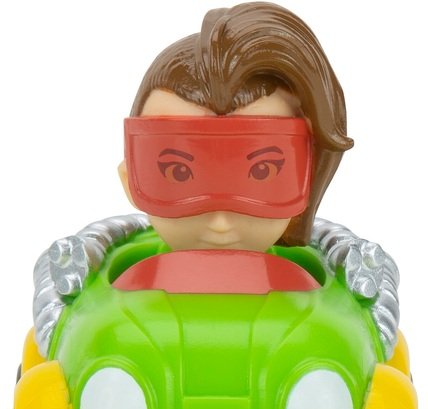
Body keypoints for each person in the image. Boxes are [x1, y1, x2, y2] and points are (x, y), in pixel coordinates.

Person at [34, 1, 399, 360]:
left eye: (262, 172)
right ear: (130, 179)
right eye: (177, 173)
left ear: (307, 174)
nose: (220, 222)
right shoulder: (94, 305)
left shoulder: (338, 305)